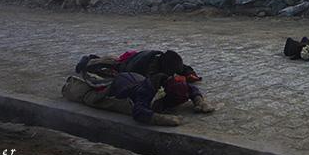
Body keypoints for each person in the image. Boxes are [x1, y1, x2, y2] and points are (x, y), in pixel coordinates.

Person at [63, 49, 214, 126]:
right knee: (107, 68)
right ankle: (88, 61)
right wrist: (161, 119)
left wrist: (200, 101)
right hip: (126, 72)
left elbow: (189, 87)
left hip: (137, 74)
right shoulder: (147, 87)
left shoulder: (167, 72)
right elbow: (139, 112)